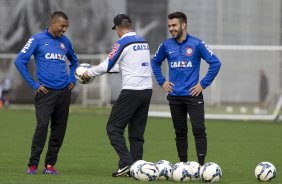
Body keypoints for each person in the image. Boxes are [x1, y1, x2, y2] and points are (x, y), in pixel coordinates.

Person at [82, 14, 152, 177]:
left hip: (131, 91)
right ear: (131, 26)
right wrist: (98, 70)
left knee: (113, 128)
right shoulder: (143, 42)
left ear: (118, 28)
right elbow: (126, 66)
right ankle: (137, 168)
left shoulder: (122, 43)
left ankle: (126, 163)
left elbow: (108, 64)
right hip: (147, 90)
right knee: (137, 133)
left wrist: (89, 72)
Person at [151, 12, 221, 166]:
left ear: (184, 25)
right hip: (175, 96)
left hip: (193, 96)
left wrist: (202, 84)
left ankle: (202, 166)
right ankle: (183, 166)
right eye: (169, 26)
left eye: (174, 25)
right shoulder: (166, 45)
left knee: (198, 129)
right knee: (180, 132)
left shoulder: (197, 44)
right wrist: (162, 81)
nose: (171, 28)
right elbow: (155, 62)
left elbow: (216, 63)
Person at [14, 11, 78, 174]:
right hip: (45, 92)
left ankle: (49, 165)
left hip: (64, 92)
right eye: (62, 26)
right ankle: (33, 165)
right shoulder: (37, 39)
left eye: (67, 27)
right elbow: (19, 61)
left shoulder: (66, 42)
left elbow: (74, 62)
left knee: (59, 130)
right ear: (53, 23)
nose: (64, 30)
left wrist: (73, 79)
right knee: (42, 126)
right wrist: (34, 85)